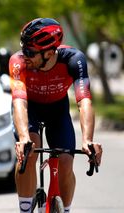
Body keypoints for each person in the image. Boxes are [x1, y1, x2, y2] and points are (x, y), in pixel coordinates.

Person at [9, 18, 103, 212]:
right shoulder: (18, 62)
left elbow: (84, 100)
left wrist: (88, 140)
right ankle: (25, 208)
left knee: (66, 162)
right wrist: (24, 137)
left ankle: (65, 208)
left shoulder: (74, 60)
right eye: (23, 49)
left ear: (49, 53)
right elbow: (19, 101)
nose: (24, 55)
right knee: (29, 152)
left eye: (30, 52)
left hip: (57, 110)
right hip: (30, 110)